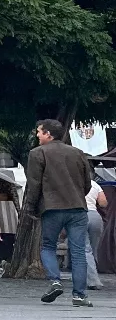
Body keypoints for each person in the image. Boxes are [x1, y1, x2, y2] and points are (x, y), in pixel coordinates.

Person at [24, 119, 97, 307]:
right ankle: (80, 295)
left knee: (48, 246)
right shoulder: (78, 153)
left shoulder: (37, 154)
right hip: (78, 208)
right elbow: (87, 183)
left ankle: (55, 281)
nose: (37, 135)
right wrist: (77, 197)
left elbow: (34, 185)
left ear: (49, 134)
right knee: (79, 251)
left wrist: (30, 207)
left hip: (52, 207)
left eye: (39, 132)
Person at [86, 179, 107, 291]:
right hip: (95, 216)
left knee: (85, 250)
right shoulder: (94, 184)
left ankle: (93, 280)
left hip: (80, 215)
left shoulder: (72, 181)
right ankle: (91, 276)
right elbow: (103, 202)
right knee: (93, 249)